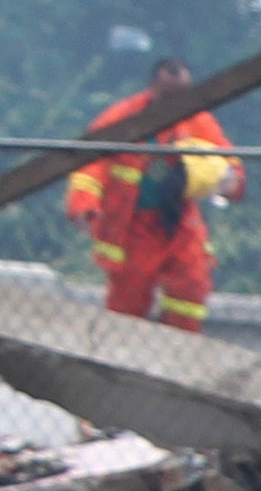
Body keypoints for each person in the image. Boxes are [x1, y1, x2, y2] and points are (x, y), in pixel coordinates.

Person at [65, 57, 244, 330]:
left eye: (180, 94)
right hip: (133, 227)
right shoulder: (125, 115)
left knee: (191, 286)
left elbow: (228, 162)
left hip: (180, 223)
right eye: (169, 93)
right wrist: (84, 202)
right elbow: (90, 159)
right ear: (153, 85)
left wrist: (233, 183)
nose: (174, 100)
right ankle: (120, 356)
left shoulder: (196, 119)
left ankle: (181, 350)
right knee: (129, 299)